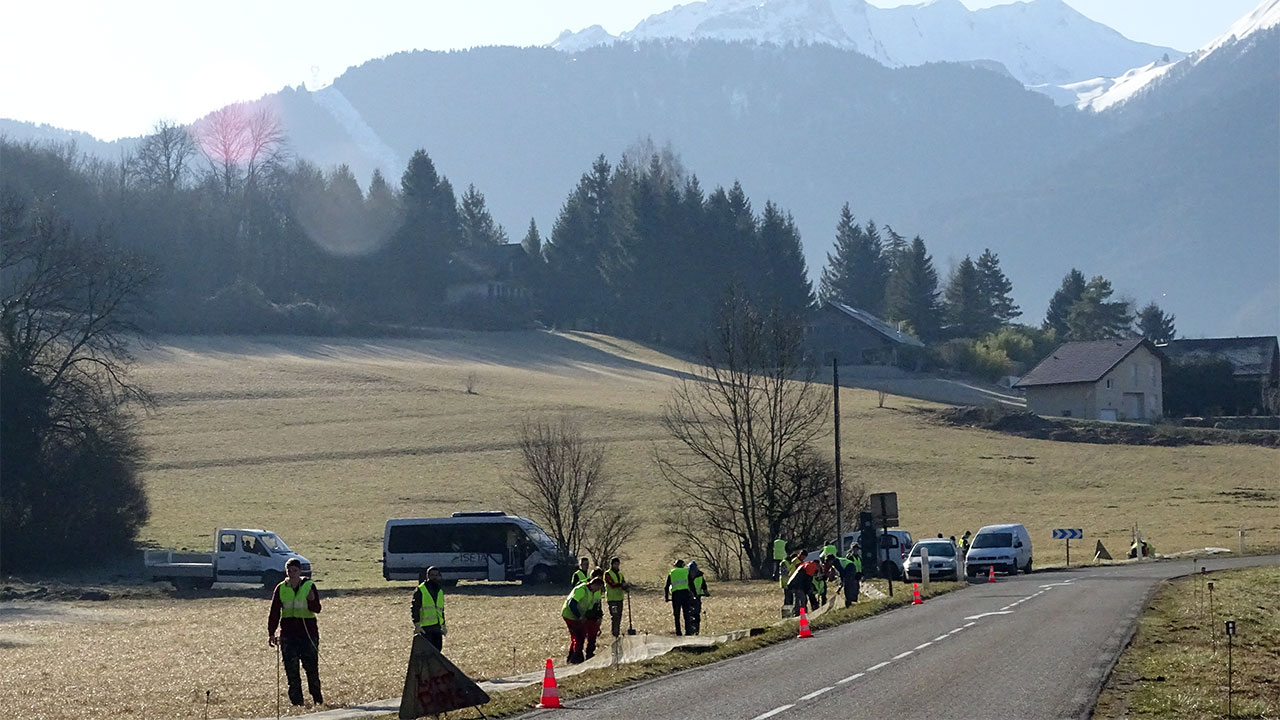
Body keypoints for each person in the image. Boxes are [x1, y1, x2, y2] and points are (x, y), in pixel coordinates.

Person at [267, 557, 323, 707]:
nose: (292, 574)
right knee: (291, 672)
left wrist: (312, 600)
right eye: (289, 571)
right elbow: (274, 612)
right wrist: (271, 632)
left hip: (307, 634)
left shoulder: (309, 586)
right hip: (288, 635)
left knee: (311, 669)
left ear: (300, 571)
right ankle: (297, 703)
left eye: (295, 571)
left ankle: (318, 700)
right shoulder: (281, 588)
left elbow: (317, 609)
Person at [561, 575, 604, 664]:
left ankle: (573, 657)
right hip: (570, 615)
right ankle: (577, 658)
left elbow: (591, 608)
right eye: (598, 588)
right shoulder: (582, 590)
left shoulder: (591, 592)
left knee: (579, 635)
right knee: (579, 636)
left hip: (579, 616)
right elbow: (571, 604)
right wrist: (579, 616)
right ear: (595, 585)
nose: (598, 590)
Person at [411, 566, 446, 651]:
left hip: (437, 628)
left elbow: (440, 610)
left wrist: (443, 625)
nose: (434, 577)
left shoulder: (440, 591)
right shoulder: (421, 590)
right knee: (427, 652)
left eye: (436, 575)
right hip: (425, 629)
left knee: (438, 651)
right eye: (432, 575)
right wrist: (417, 624)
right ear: (427, 576)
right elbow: (415, 608)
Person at [665, 559, 693, 636]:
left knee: (676, 615)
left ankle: (678, 632)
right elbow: (691, 584)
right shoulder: (686, 571)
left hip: (676, 595)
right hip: (685, 594)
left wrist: (666, 597)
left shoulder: (672, 572)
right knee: (686, 614)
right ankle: (688, 632)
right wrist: (694, 594)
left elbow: (667, 586)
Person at [604, 557, 630, 638]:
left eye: (618, 564)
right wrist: (621, 585)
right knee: (615, 616)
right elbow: (612, 584)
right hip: (612, 600)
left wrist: (626, 588)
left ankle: (617, 633)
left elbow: (623, 583)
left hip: (620, 599)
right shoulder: (607, 574)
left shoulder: (620, 574)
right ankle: (615, 633)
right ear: (612, 564)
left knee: (619, 617)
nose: (617, 566)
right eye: (615, 564)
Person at [583, 568, 605, 659]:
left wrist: (600, 615)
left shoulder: (598, 588)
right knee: (581, 636)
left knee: (593, 635)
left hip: (594, 613)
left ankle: (590, 653)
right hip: (585, 612)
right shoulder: (584, 586)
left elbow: (598, 601)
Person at [687, 561, 710, 635]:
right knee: (689, 614)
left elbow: (704, 586)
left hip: (697, 598)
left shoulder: (700, 576)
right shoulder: (686, 576)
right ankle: (690, 631)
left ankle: (696, 630)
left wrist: (706, 593)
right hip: (688, 598)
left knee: (696, 614)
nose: (692, 573)